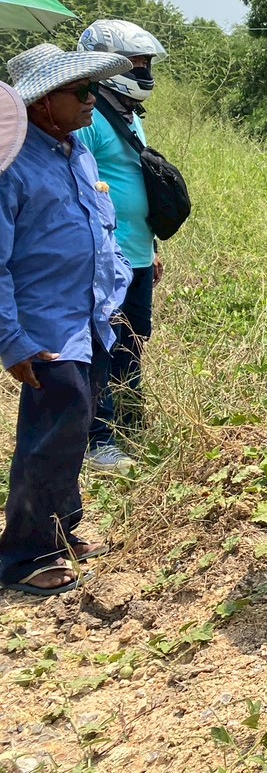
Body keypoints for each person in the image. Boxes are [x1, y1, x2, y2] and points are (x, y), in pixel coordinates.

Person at [0, 43, 134, 595]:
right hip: (45, 325)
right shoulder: (12, 165)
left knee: (73, 427)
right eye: (80, 93)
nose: (91, 102)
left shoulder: (75, 148)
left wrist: (119, 273)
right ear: (41, 103)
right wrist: (12, 341)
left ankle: (60, 525)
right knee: (54, 426)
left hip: (91, 314)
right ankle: (23, 554)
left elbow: (99, 222)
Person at [75, 19, 171, 474]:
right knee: (102, 346)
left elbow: (138, 185)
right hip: (106, 258)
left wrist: (150, 249)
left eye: (146, 63)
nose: (143, 72)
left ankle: (130, 424)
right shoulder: (89, 118)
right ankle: (97, 439)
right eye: (135, 64)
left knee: (133, 341)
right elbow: (84, 189)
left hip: (137, 252)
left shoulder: (129, 113)